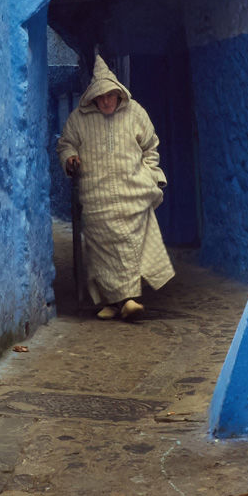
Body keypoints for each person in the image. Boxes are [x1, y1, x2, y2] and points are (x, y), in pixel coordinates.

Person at [56, 55, 174, 320]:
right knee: (100, 253)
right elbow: (66, 144)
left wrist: (150, 173)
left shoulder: (136, 113)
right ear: (93, 98)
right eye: (102, 97)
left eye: (111, 96)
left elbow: (150, 146)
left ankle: (129, 299)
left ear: (118, 94)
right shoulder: (78, 119)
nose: (107, 101)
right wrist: (70, 157)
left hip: (131, 190)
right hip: (96, 196)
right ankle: (114, 301)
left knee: (130, 245)